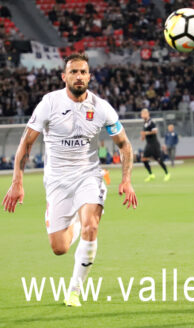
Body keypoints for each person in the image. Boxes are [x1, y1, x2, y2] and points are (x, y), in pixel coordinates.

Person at [2, 53, 137, 307]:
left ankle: (74, 291)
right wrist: (17, 182)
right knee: (60, 247)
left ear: (89, 76)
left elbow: (125, 145)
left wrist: (126, 180)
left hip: (89, 176)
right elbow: (26, 143)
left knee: (92, 226)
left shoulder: (101, 108)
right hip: (57, 181)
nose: (78, 76)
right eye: (73, 72)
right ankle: (74, 218)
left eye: (83, 72)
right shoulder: (49, 104)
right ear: (64, 77)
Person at [140, 108, 170, 182]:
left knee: (158, 160)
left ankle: (167, 173)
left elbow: (155, 131)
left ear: (147, 114)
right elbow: (145, 132)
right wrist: (143, 136)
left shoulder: (151, 122)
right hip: (149, 144)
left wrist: (146, 133)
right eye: (142, 114)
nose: (142, 115)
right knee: (144, 159)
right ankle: (151, 174)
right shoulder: (145, 123)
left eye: (144, 114)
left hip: (154, 144)